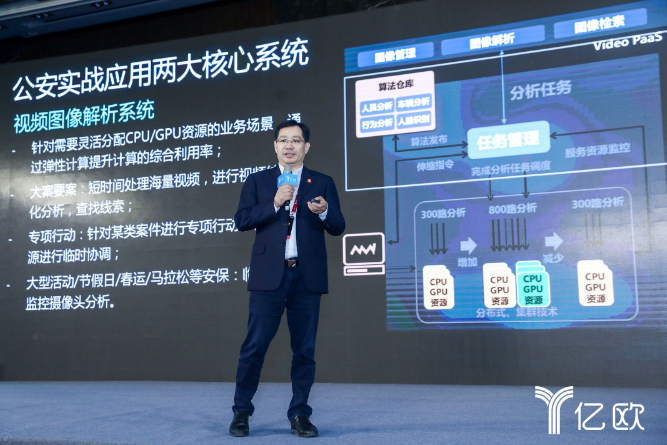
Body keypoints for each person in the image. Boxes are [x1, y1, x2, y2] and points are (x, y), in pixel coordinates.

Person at [229, 120, 345, 438]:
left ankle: (300, 415)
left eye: (296, 140)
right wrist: (275, 203)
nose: (289, 145)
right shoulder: (258, 181)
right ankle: (241, 412)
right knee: (254, 346)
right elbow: (241, 219)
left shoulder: (321, 181)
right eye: (283, 140)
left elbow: (338, 225)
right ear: (275, 146)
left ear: (306, 147)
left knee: (304, 351)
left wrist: (324, 211)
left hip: (306, 277)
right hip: (269, 275)